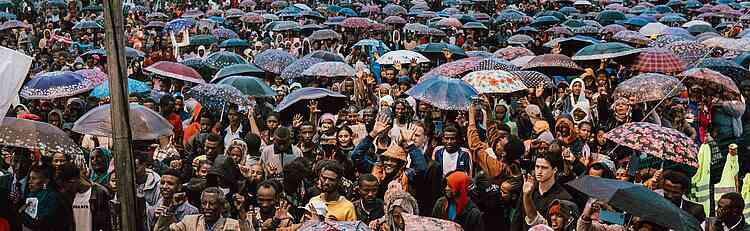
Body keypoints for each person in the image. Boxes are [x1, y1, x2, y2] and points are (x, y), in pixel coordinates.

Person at [154, 187, 253, 231]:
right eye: (204, 203)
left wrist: (241, 211)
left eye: (212, 203)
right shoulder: (189, 221)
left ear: (221, 206)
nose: (207, 207)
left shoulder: (232, 225)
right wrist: (172, 207)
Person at [56, 162, 113, 231]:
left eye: (64, 186)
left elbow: (106, 224)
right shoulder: (68, 197)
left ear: (72, 181)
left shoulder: (99, 193)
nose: (63, 190)